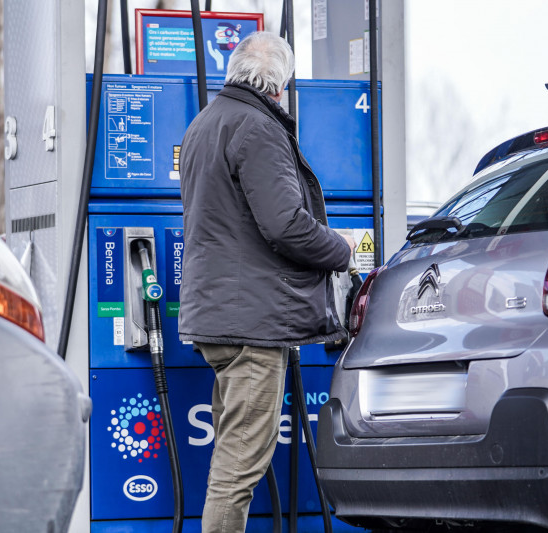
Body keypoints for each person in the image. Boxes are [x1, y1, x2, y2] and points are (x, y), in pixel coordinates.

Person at [178, 31, 353, 533]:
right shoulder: (257, 128)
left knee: (230, 458)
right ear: (281, 85)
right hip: (250, 325)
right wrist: (341, 252)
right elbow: (286, 225)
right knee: (238, 469)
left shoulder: (204, 124)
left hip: (218, 317)